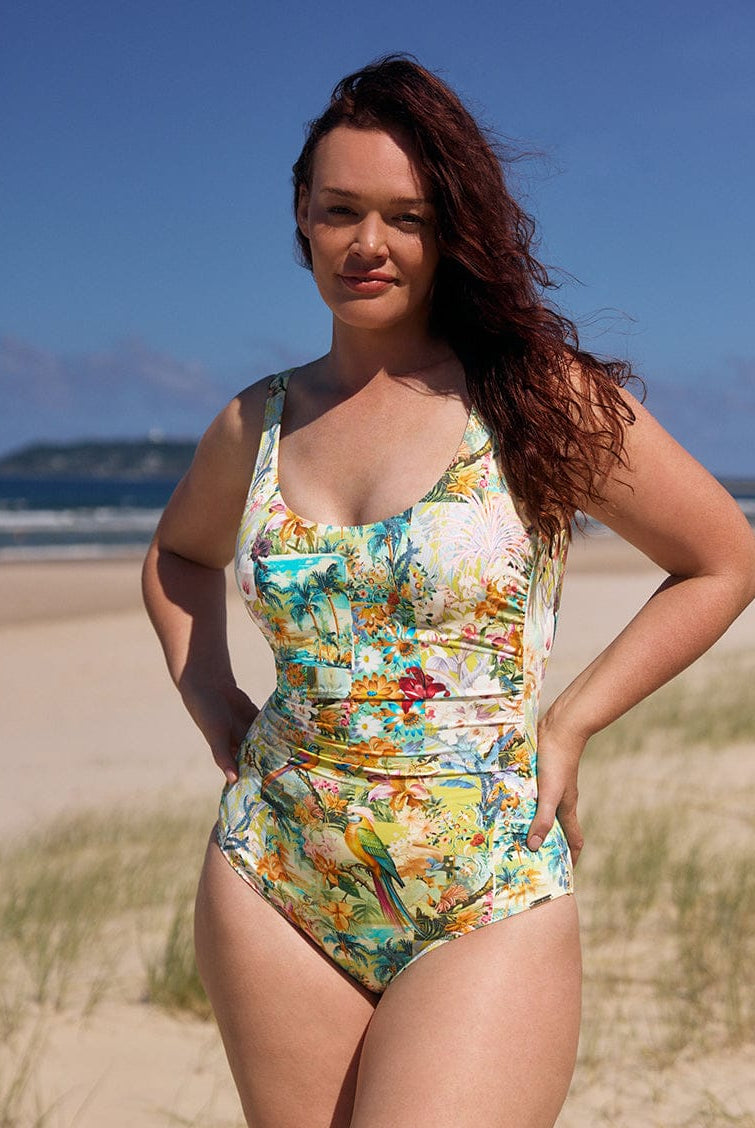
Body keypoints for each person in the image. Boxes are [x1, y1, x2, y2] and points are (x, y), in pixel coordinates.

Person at [142, 55, 755, 1128]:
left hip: (484, 885)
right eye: (340, 211)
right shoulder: (256, 423)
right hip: (271, 874)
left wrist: (570, 724)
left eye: (404, 217)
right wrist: (210, 699)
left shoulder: (534, 400)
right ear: (302, 216)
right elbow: (175, 558)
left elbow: (719, 559)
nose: (366, 244)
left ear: (448, 231)